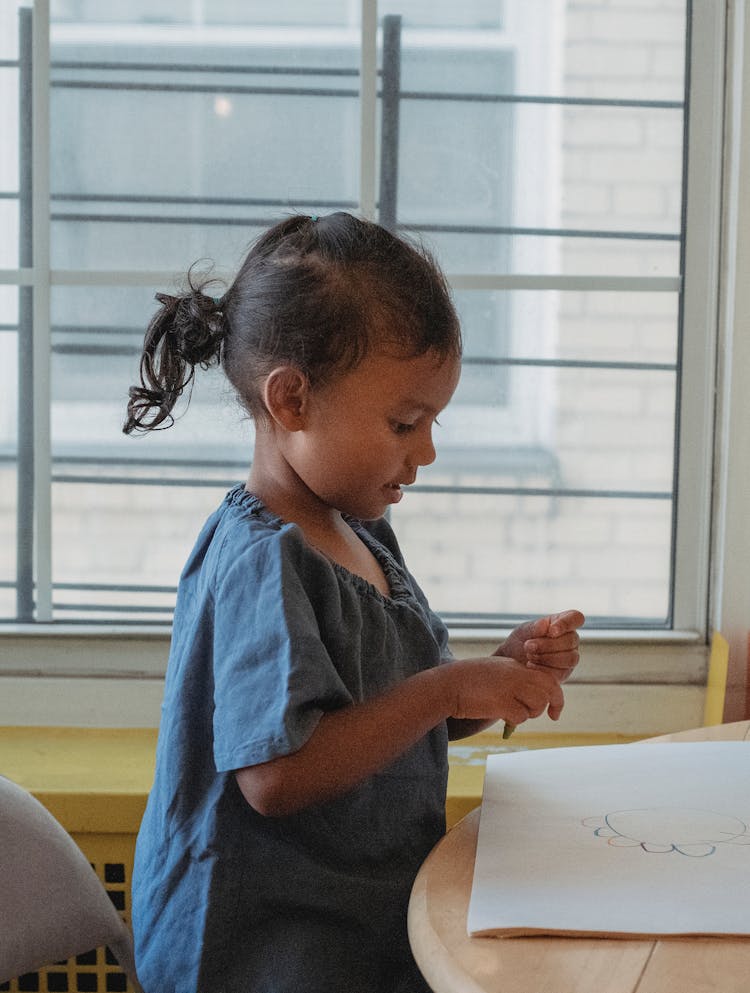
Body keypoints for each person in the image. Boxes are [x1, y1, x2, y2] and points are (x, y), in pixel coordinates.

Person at [125, 212, 584, 993]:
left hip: (363, 909)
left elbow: (395, 720)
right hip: (264, 937)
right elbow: (274, 775)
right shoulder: (260, 560)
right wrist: (445, 686)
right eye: (404, 421)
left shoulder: (364, 537)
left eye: (432, 421)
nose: (427, 449)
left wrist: (495, 673)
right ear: (292, 400)